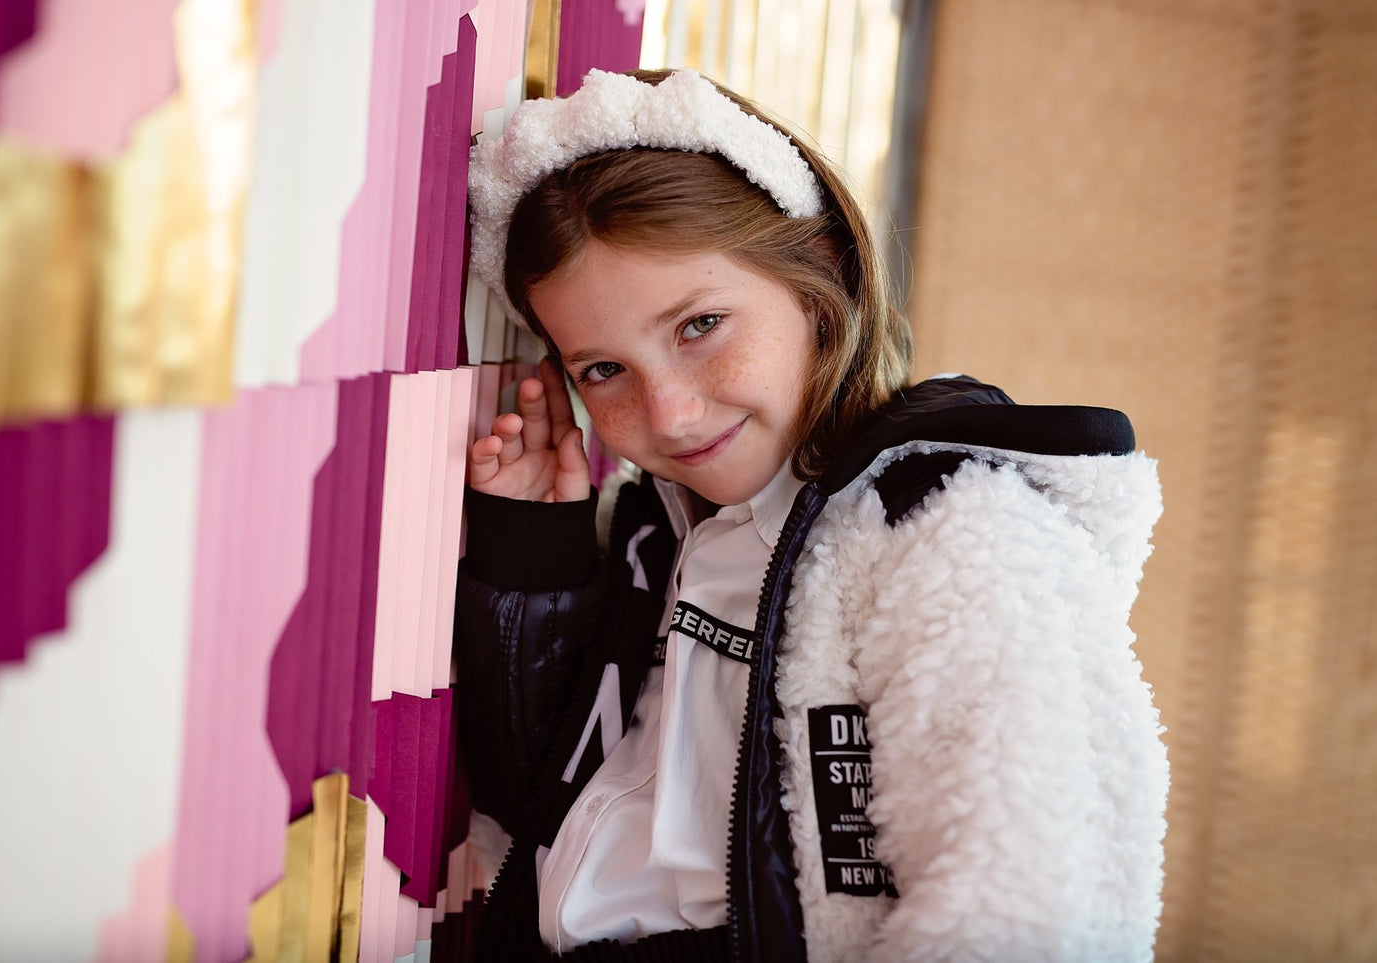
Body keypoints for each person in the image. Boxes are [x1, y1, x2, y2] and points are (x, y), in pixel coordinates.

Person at [455, 68, 1167, 963]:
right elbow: (549, 811)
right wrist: (535, 560)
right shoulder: (667, 534)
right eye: (602, 370)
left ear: (818, 272)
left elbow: (1029, 909)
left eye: (699, 324)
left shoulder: (953, 537)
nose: (668, 412)